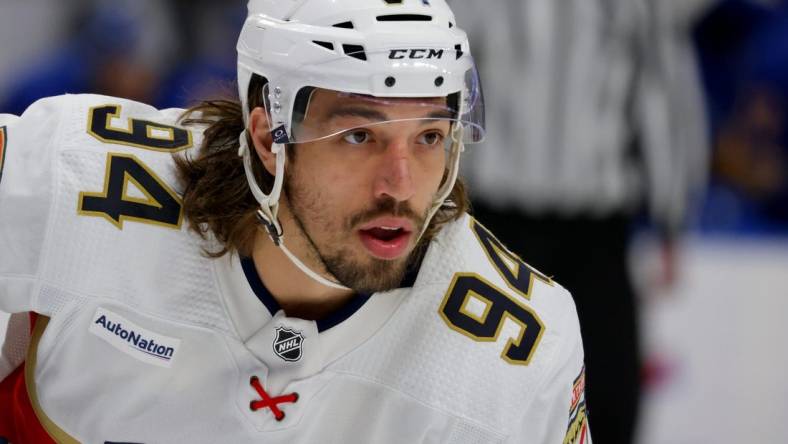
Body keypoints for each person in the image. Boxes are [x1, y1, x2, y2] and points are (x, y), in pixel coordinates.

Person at [0, 1, 591, 443]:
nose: (401, 186)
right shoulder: (76, 177)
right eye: (359, 135)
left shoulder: (521, 346)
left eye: (430, 136)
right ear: (268, 136)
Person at [449, 1, 710, 443]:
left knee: (607, 394)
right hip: (493, 225)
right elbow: (447, 76)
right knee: (479, 393)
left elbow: (664, 91)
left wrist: (672, 215)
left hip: (595, 230)